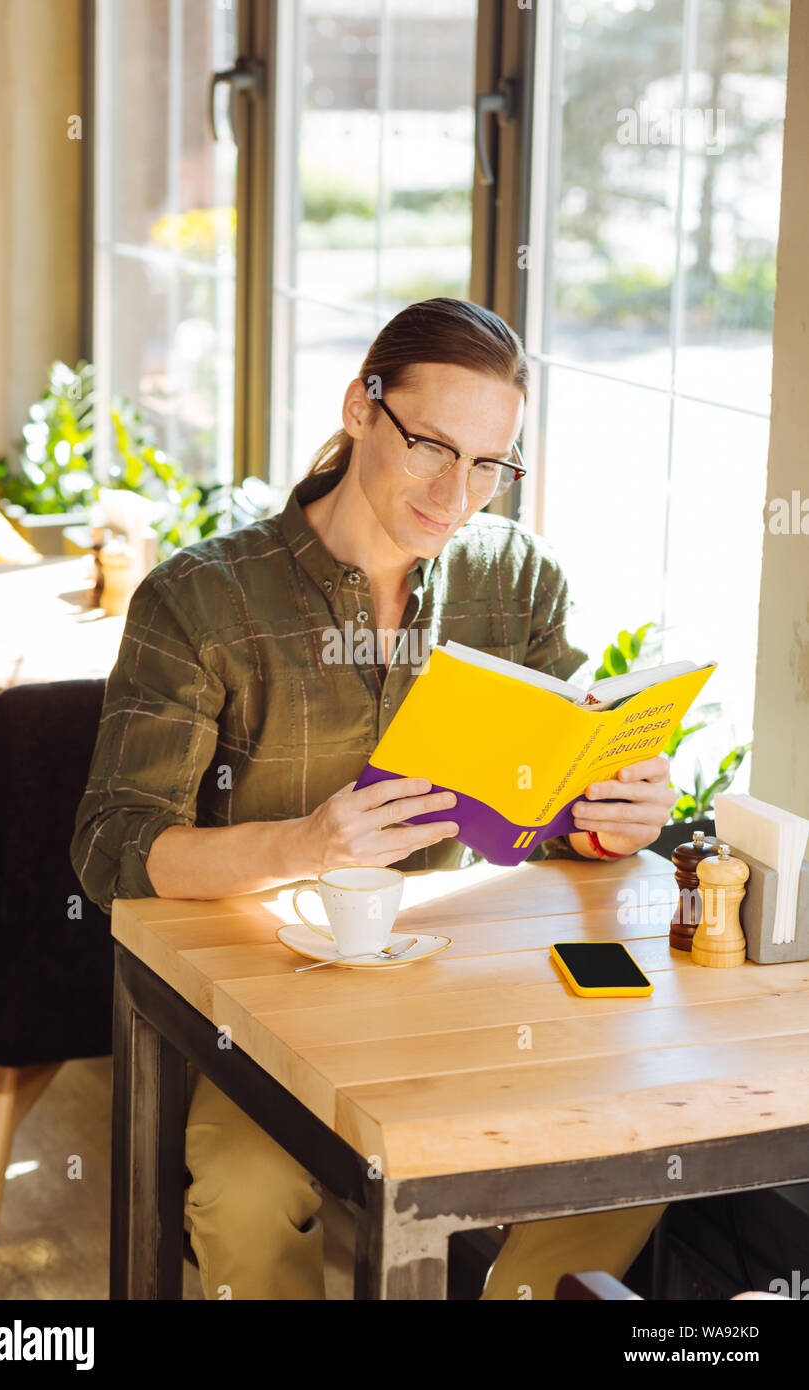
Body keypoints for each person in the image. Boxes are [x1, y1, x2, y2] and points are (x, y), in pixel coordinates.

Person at [71, 297, 673, 1299]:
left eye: (489, 464)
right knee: (245, 1190)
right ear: (361, 407)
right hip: (259, 1004)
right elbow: (110, 846)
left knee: (642, 1129)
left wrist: (611, 817)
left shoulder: (515, 583)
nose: (459, 493)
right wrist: (298, 842)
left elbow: (550, 802)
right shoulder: (202, 601)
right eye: (433, 446)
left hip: (461, 986)